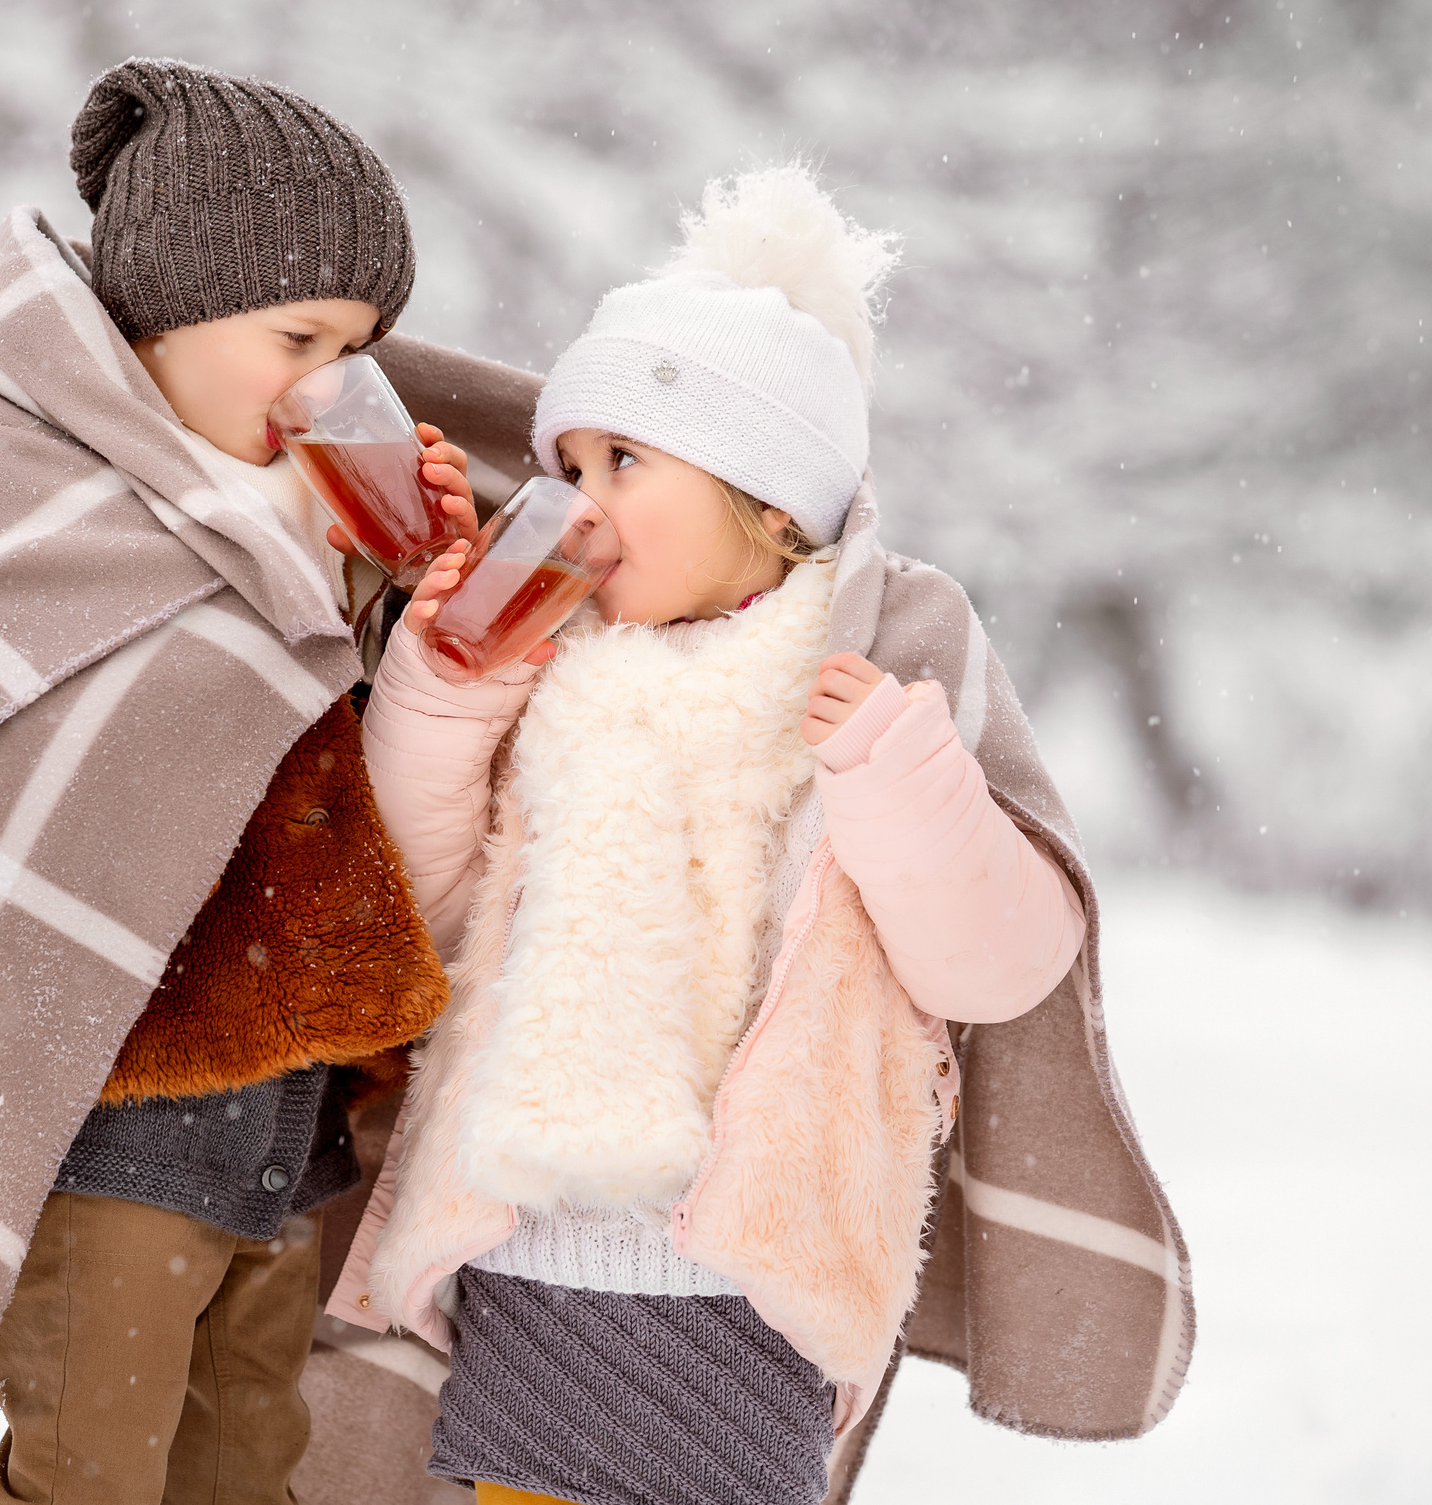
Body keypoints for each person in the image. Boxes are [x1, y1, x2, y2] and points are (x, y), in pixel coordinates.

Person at [0, 58, 534, 1505]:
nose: (335, 380)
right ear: (163, 317)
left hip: (284, 1109)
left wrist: (411, 584)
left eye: (364, 345)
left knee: (244, 1462)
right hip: (111, 1108)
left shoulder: (310, 510)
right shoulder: (28, 488)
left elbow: (361, 758)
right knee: (93, 1465)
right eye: (297, 332)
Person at [326, 165, 1193, 1505]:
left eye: (626, 462)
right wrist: (442, 689)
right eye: (564, 465)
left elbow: (998, 968)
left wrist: (903, 783)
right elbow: (415, 899)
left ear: (771, 501)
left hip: (747, 1282)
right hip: (519, 1257)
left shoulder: (879, 665)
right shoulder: (545, 671)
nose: (579, 499)